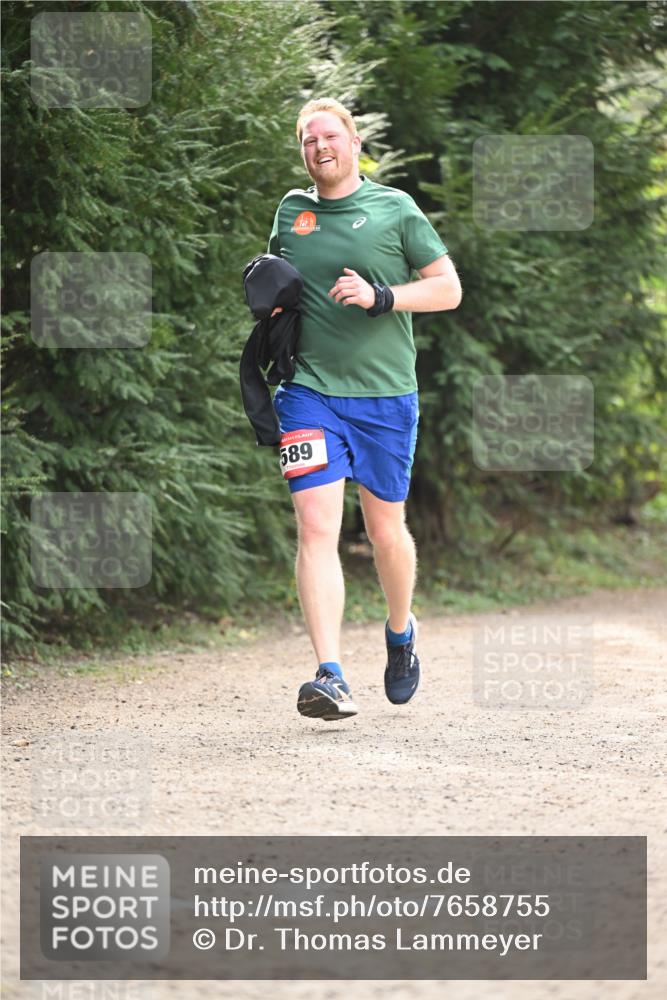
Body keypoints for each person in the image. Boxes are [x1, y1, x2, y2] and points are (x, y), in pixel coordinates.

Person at [267, 97, 462, 722]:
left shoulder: (395, 210)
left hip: (384, 397)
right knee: (318, 527)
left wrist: (383, 296)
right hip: (308, 393)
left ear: (353, 142)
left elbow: (448, 289)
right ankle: (329, 674)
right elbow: (282, 293)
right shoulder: (290, 214)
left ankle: (401, 631)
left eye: (329, 136)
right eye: (307, 140)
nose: (318, 147)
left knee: (384, 533)